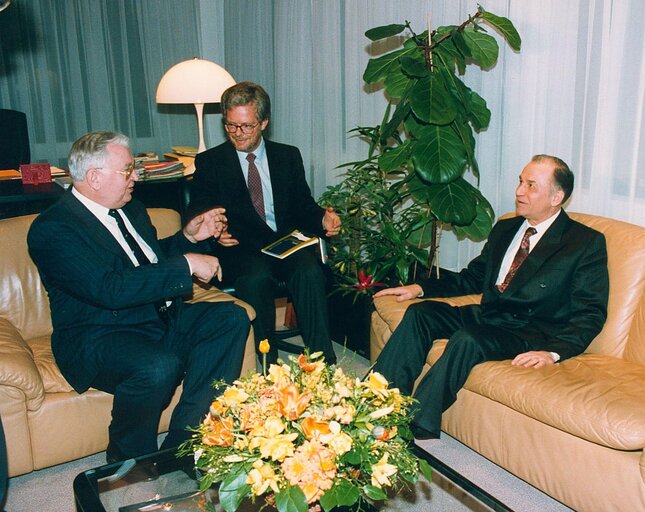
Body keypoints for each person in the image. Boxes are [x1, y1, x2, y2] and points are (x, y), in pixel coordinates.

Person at [27, 131, 250, 463]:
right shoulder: (54, 228)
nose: (136, 176)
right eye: (127, 170)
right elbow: (109, 287)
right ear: (94, 177)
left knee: (230, 317)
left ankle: (185, 444)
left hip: (153, 318)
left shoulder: (131, 209)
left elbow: (148, 261)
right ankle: (128, 458)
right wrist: (187, 264)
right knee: (159, 365)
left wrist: (187, 239)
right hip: (99, 334)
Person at [372, 155, 609, 439]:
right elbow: (473, 276)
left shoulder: (583, 242)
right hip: (489, 316)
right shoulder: (507, 227)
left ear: (557, 196)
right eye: (520, 181)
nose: (520, 191)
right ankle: (377, 402)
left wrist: (553, 352)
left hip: (529, 331)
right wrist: (421, 289)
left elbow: (591, 312)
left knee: (469, 339)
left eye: (531, 185)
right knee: (421, 313)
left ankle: (412, 423)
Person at [187, 82, 341, 365]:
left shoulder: (287, 155)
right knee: (256, 279)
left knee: (309, 270)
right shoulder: (211, 162)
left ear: (264, 123)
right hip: (239, 248)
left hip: (283, 242)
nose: (237, 133)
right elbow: (198, 209)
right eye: (230, 125)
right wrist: (214, 229)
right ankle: (268, 362)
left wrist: (323, 218)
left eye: (246, 126)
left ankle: (323, 358)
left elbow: (303, 205)